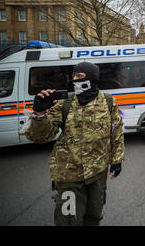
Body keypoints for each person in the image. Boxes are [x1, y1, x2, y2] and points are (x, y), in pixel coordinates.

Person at [25, 62, 125, 226]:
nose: (74, 80)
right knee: (69, 221)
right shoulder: (65, 103)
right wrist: (39, 114)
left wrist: (117, 160)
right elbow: (40, 137)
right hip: (68, 175)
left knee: (93, 216)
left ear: (92, 77)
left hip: (98, 173)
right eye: (73, 77)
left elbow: (116, 131)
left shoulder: (108, 101)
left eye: (79, 76)